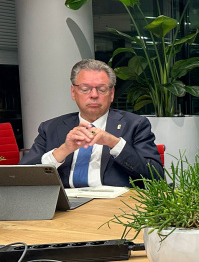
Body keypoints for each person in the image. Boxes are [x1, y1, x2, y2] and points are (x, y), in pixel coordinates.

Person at [20, 59, 163, 187]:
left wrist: (114, 143)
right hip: (63, 203)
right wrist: (63, 150)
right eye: (85, 89)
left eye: (102, 89)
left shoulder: (135, 125)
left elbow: (156, 176)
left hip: (115, 204)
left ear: (112, 94)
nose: (94, 95)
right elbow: (21, 177)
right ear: (73, 92)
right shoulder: (50, 127)